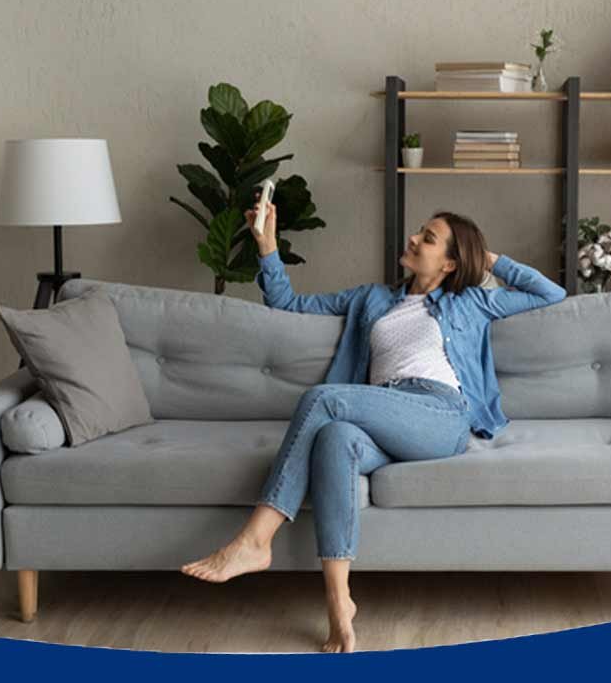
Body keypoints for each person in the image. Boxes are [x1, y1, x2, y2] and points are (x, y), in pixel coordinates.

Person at [181, 194, 567, 653]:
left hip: (439, 413)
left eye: (428, 238)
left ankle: (254, 540)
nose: (413, 238)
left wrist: (490, 259)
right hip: (382, 409)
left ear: (449, 263)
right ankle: (339, 602)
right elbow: (288, 301)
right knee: (337, 439)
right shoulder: (372, 299)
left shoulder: (472, 302)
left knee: (324, 400)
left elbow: (550, 293)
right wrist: (267, 246)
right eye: (419, 231)